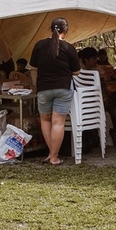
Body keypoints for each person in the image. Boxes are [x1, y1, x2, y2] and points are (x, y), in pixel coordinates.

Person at [30, 17, 80, 166]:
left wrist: (34, 85)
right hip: (63, 88)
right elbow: (76, 72)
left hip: (43, 88)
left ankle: (52, 154)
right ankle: (54, 157)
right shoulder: (68, 48)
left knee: (45, 120)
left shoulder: (39, 45)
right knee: (58, 123)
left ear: (50, 29)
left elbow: (33, 68)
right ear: (66, 31)